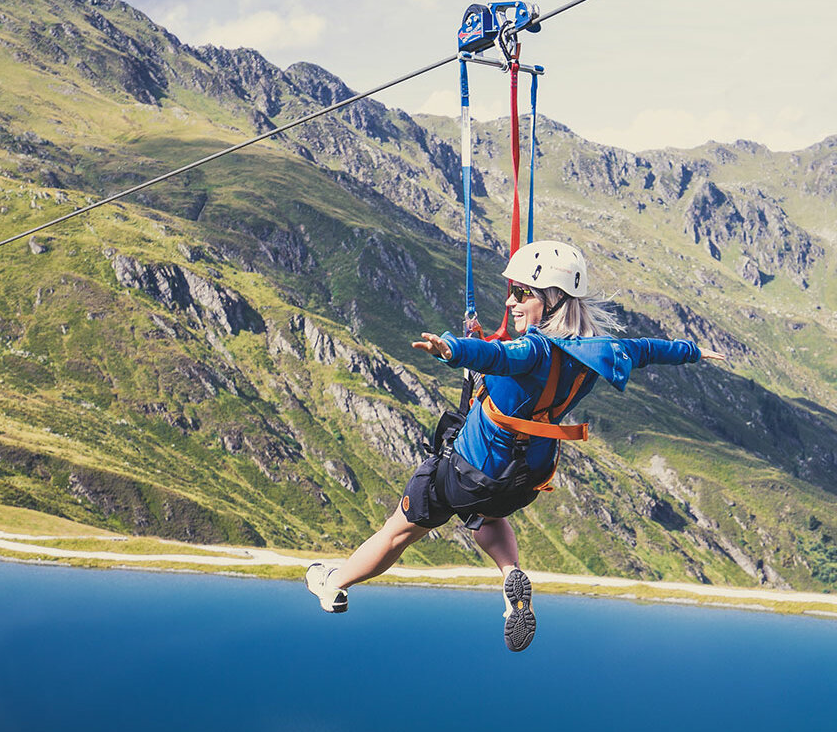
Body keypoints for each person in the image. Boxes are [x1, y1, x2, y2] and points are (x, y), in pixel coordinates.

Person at [304, 240, 725, 651]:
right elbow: (649, 349)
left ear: (554, 298)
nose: (511, 303)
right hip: (525, 478)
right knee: (486, 516)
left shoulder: (532, 350)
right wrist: (693, 352)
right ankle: (511, 579)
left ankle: (334, 584)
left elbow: (497, 359)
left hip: (470, 470)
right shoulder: (605, 350)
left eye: (522, 293)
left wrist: (451, 349)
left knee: (397, 533)